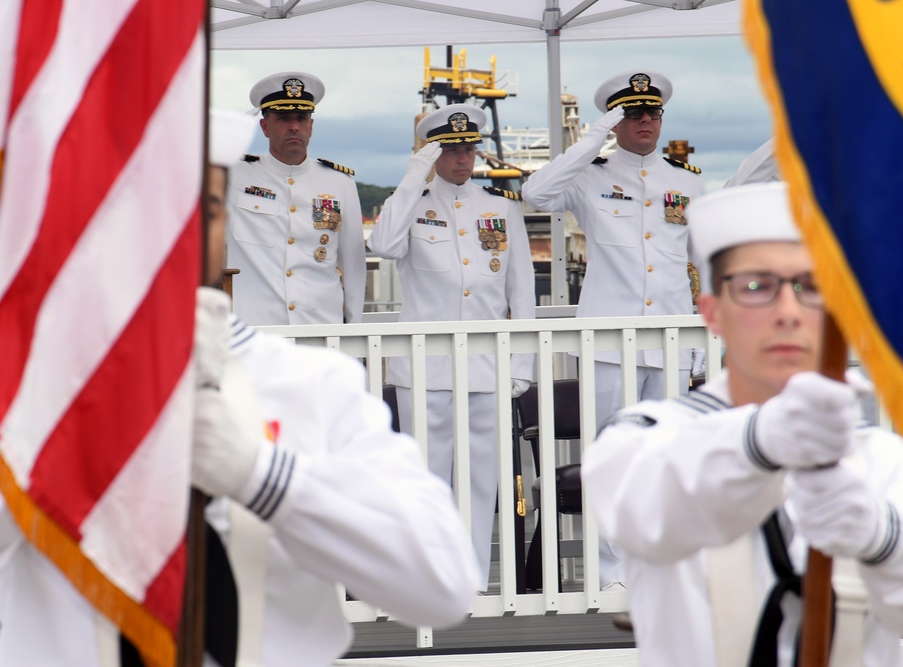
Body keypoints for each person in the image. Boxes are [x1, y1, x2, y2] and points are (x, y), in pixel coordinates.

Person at [0, 110, 479, 667]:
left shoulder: (314, 385)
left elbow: (441, 583)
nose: (174, 228)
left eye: (203, 208)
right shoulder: (17, 390)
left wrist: (267, 479)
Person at [582, 182, 903, 666]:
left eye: (812, 287)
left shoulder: (886, 459)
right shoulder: (644, 436)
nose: (788, 312)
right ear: (711, 312)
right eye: (755, 287)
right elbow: (648, 511)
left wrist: (881, 535)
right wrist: (760, 442)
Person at [522, 69, 705, 587]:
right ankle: (610, 572)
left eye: (652, 112)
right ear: (617, 120)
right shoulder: (591, 177)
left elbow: (702, 263)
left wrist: (700, 348)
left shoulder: (686, 182)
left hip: (671, 341)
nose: (645, 120)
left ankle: (659, 565)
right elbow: (537, 193)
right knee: (609, 455)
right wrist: (594, 136)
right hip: (607, 344)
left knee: (664, 457)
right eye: (633, 112)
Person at [366, 104, 536, 589]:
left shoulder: (501, 208)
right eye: (450, 149)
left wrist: (519, 366)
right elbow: (382, 244)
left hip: (486, 366)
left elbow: (521, 296)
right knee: (427, 478)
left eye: (467, 148)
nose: (462, 158)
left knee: (482, 481)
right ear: (433, 152)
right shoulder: (412, 204)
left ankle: (475, 581)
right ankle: (426, 582)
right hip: (425, 368)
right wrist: (414, 172)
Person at [225, 71, 365, 325]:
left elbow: (354, 268)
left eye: (301, 118)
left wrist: (354, 333)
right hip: (257, 330)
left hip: (320, 329)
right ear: (265, 127)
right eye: (283, 118)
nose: (293, 126)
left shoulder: (340, 183)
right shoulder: (232, 175)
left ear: (311, 126)